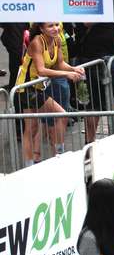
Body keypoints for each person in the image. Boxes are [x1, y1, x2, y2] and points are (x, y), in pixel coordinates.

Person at [14, 23, 84, 167]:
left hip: (38, 87)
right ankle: (56, 155)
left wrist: (73, 68)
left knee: (32, 127)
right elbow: (41, 70)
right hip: (26, 88)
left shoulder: (57, 39)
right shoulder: (36, 42)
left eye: (56, 24)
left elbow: (59, 63)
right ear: (41, 29)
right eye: (50, 26)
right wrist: (67, 74)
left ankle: (36, 161)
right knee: (60, 114)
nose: (55, 28)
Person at [74, 23, 114, 142]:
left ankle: (92, 143)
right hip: (98, 56)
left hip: (106, 56)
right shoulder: (90, 6)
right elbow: (85, 23)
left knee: (96, 104)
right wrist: (103, 11)